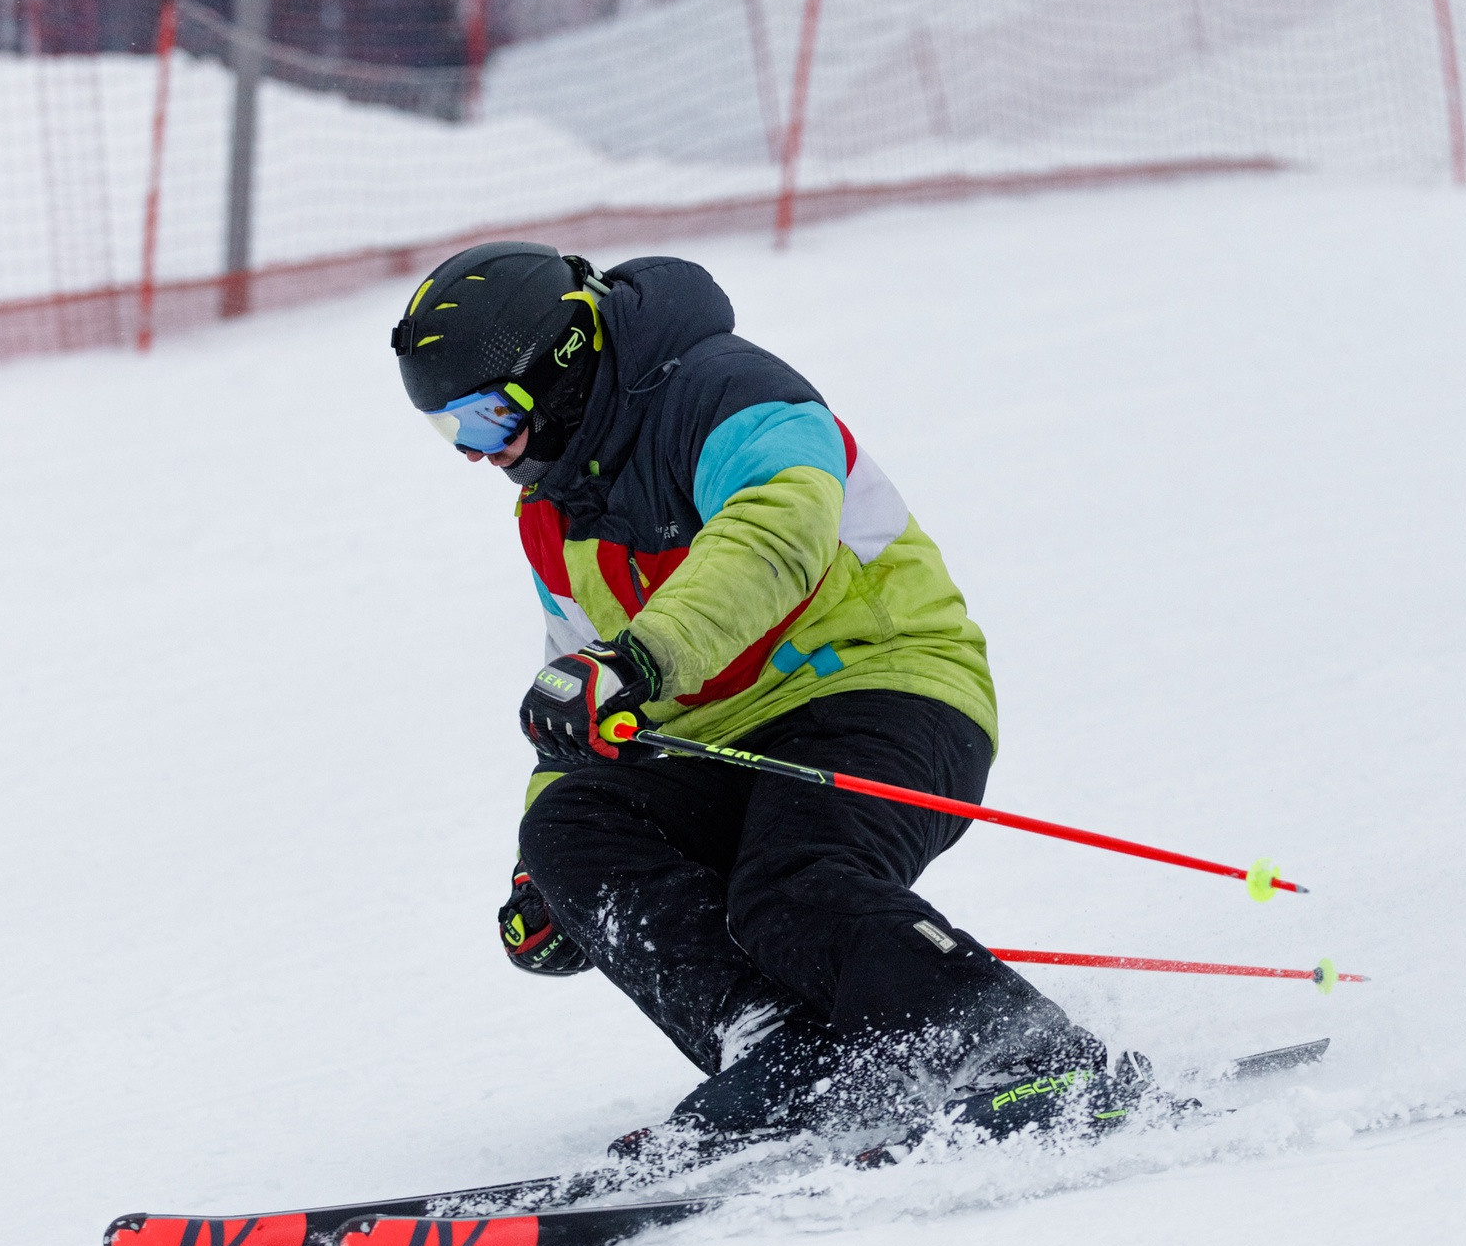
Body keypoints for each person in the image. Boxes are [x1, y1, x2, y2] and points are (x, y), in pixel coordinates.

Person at [390, 241, 1147, 1159]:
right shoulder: (551, 511)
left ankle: (1025, 1050)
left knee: (792, 883)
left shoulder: (728, 391)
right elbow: (576, 689)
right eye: (451, 434)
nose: (478, 455)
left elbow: (773, 537)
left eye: (484, 419)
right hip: (718, 742)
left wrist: (640, 658)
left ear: (559, 368)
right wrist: (538, 871)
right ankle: (786, 1051)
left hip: (883, 683)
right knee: (570, 832)